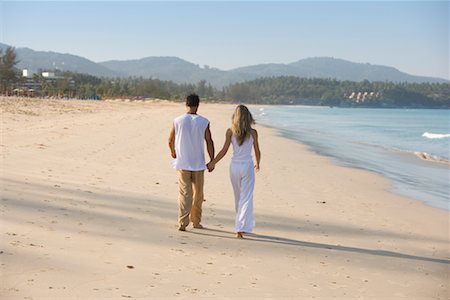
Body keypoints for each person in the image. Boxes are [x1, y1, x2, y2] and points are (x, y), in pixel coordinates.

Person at [207, 105, 261, 238]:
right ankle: (240, 226)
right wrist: (258, 163)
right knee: (246, 197)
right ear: (248, 116)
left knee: (238, 197)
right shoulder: (253, 132)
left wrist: (213, 162)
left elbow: (224, 150)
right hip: (247, 166)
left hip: (234, 167)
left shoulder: (230, 131)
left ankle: (242, 226)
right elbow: (257, 150)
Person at [168, 94, 214, 231]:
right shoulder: (204, 121)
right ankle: (196, 221)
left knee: (185, 194)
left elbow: (170, 139)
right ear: (198, 105)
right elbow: (209, 141)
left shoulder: (178, 120)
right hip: (198, 163)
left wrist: (172, 151)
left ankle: (182, 222)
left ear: (186, 104)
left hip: (182, 162)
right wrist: (212, 160)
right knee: (198, 194)